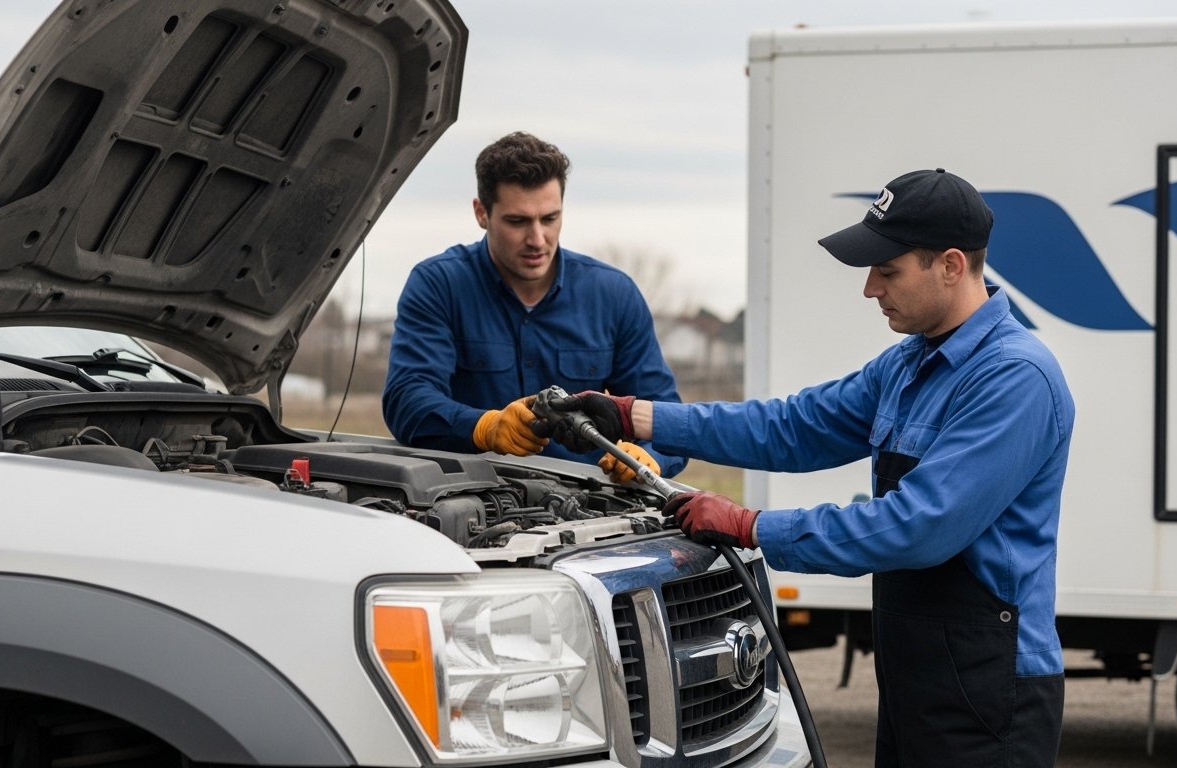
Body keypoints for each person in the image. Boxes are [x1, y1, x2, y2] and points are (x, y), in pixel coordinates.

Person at [550, 168, 1075, 767]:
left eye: (888, 270)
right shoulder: (908, 366)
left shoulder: (1013, 378)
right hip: (919, 672)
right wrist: (636, 416)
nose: (870, 288)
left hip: (989, 689)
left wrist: (751, 526)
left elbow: (918, 525)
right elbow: (792, 427)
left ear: (951, 266)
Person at [381, 131, 686, 481]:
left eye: (549, 218)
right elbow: (408, 401)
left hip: (590, 507)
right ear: (481, 213)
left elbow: (667, 417)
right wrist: (484, 427)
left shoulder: (614, 295)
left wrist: (649, 457)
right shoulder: (438, 285)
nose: (537, 240)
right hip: (465, 498)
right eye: (518, 221)